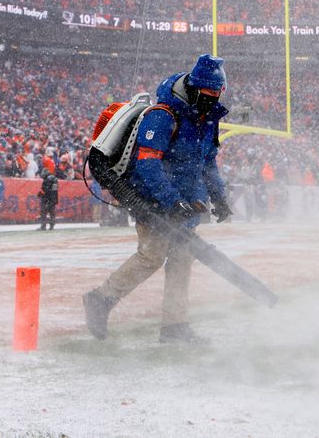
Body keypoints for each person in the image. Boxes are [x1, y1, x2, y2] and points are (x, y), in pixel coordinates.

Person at [82, 54, 232, 344]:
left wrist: (219, 196)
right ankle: (100, 299)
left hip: (186, 203)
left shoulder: (207, 119)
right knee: (151, 255)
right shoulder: (163, 116)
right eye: (208, 94)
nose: (212, 101)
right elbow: (148, 164)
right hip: (152, 200)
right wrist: (171, 200)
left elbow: (208, 162)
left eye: (217, 95)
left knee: (182, 259)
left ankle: (175, 326)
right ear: (194, 88)